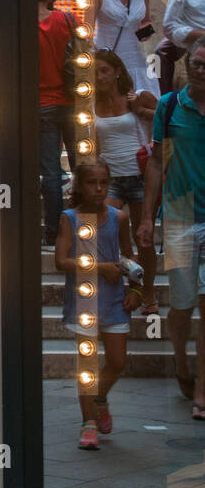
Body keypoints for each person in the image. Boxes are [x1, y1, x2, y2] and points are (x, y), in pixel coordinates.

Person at [137, 36, 205, 418]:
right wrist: (147, 217)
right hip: (179, 215)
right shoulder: (169, 105)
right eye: (195, 62)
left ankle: (201, 390)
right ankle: (180, 359)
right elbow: (157, 164)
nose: (199, 69)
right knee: (182, 306)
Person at [54, 162, 138, 450]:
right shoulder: (70, 218)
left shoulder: (119, 217)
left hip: (114, 300)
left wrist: (138, 289)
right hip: (84, 300)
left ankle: (99, 397)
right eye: (92, 183)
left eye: (104, 183)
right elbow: (61, 261)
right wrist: (101, 267)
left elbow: (129, 257)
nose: (99, 189)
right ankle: (87, 422)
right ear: (79, 186)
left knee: (117, 361)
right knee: (87, 365)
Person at [91, 49, 159, 312]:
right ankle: (127, 287)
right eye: (95, 72)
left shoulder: (138, 96)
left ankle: (148, 294)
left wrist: (140, 109)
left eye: (105, 70)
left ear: (118, 71)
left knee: (145, 239)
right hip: (111, 180)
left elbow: (168, 119)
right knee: (107, 234)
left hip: (141, 176)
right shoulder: (90, 104)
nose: (99, 76)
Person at [38, 0, 80, 246]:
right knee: (82, 165)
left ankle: (53, 231)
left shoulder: (18, 24)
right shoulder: (66, 20)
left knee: (51, 172)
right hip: (73, 100)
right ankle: (83, 223)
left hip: (42, 105)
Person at [85, 0, 156, 96]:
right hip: (108, 55)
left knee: (141, 103)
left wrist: (146, 30)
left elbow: (146, 20)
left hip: (136, 56)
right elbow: (87, 28)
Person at [155, 0, 201, 94]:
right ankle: (163, 96)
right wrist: (196, 34)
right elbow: (170, 24)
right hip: (191, 34)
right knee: (158, 54)